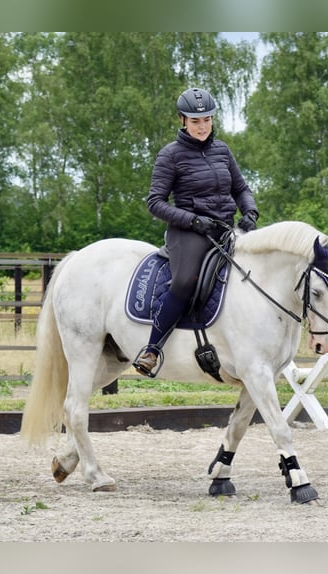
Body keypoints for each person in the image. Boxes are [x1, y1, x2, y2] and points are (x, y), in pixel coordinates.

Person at [132, 87, 259, 376]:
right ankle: (152, 349)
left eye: (207, 120)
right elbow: (155, 202)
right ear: (182, 120)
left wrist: (250, 211)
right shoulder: (170, 155)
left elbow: (240, 188)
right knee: (185, 281)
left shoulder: (222, 150)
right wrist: (191, 220)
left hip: (225, 228)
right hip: (188, 232)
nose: (202, 127)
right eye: (195, 121)